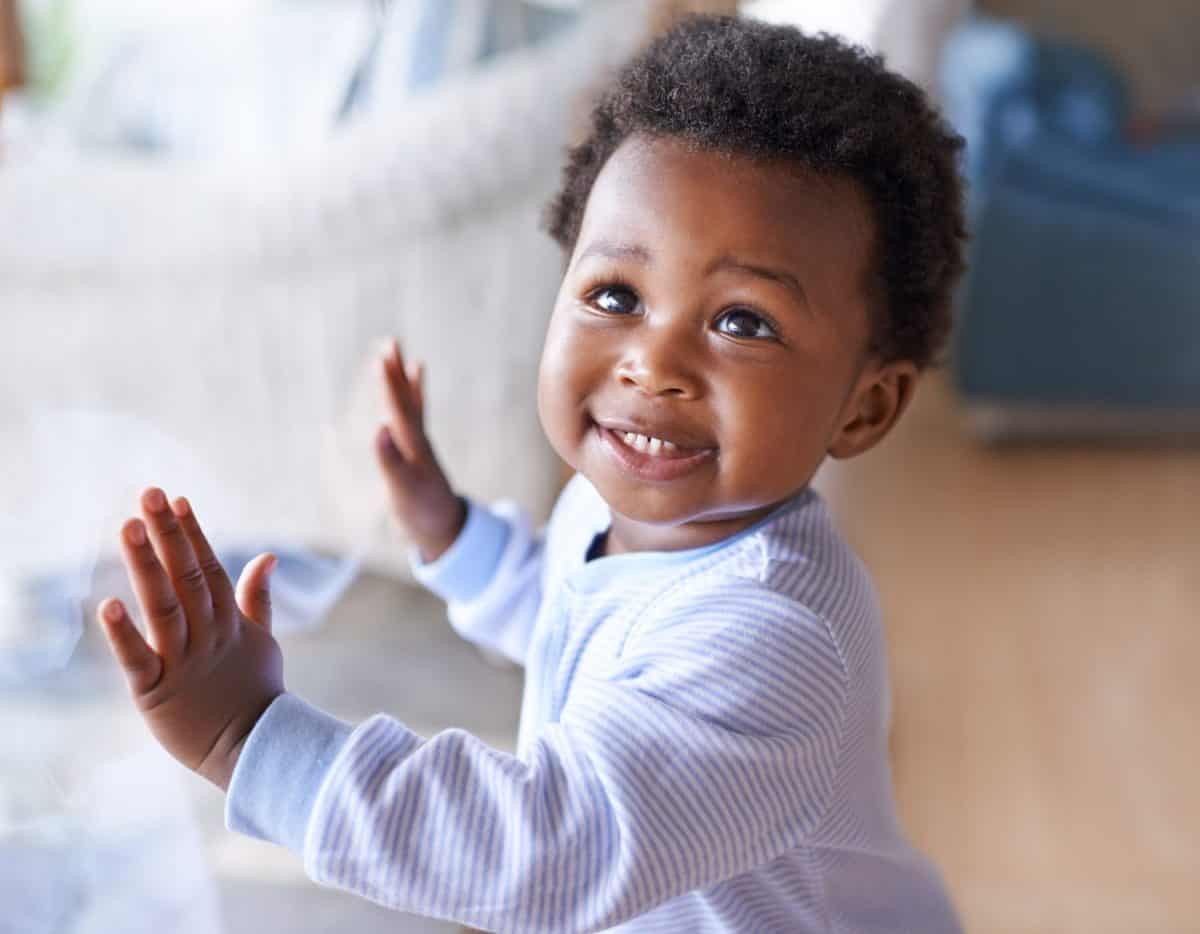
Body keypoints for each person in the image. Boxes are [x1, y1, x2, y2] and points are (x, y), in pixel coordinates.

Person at [96, 15, 968, 933]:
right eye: (616, 295)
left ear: (865, 407)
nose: (652, 361)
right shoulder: (626, 503)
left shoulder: (772, 640)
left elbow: (547, 850)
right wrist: (452, 531)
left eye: (742, 322)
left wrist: (251, 740)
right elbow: (575, 618)